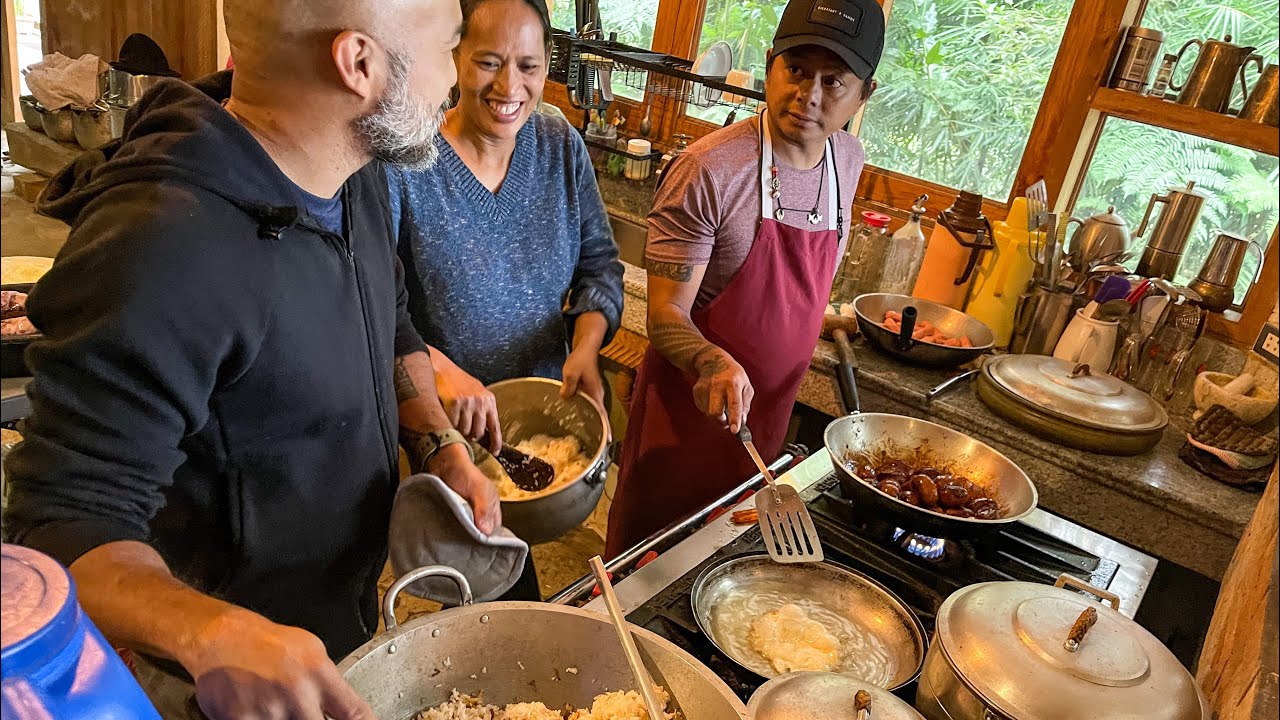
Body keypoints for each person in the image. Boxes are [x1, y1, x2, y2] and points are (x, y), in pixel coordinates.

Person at [1, 1, 491, 718]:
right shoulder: (162, 247)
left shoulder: (355, 169)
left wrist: (438, 442)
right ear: (359, 64)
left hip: (328, 623)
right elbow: (57, 525)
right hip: (217, 680)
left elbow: (391, 320)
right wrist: (209, 631)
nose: (455, 81)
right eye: (450, 48)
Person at [607, 0, 883, 557]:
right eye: (797, 69)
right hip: (682, 430)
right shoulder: (709, 170)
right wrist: (711, 359)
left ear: (863, 96)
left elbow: (805, 282)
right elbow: (664, 315)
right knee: (645, 575)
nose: (809, 94)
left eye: (834, 81)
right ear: (770, 64)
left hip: (766, 426)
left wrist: (818, 316)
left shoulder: (848, 161)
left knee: (727, 571)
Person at [387, 0, 622, 592]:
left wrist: (586, 346)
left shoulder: (558, 144)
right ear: (455, 58)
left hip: (543, 411)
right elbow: (371, 305)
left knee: (512, 564)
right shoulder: (407, 162)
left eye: (528, 65)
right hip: (448, 423)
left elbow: (599, 264)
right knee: (473, 577)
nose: (508, 86)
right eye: (488, 61)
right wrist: (440, 370)